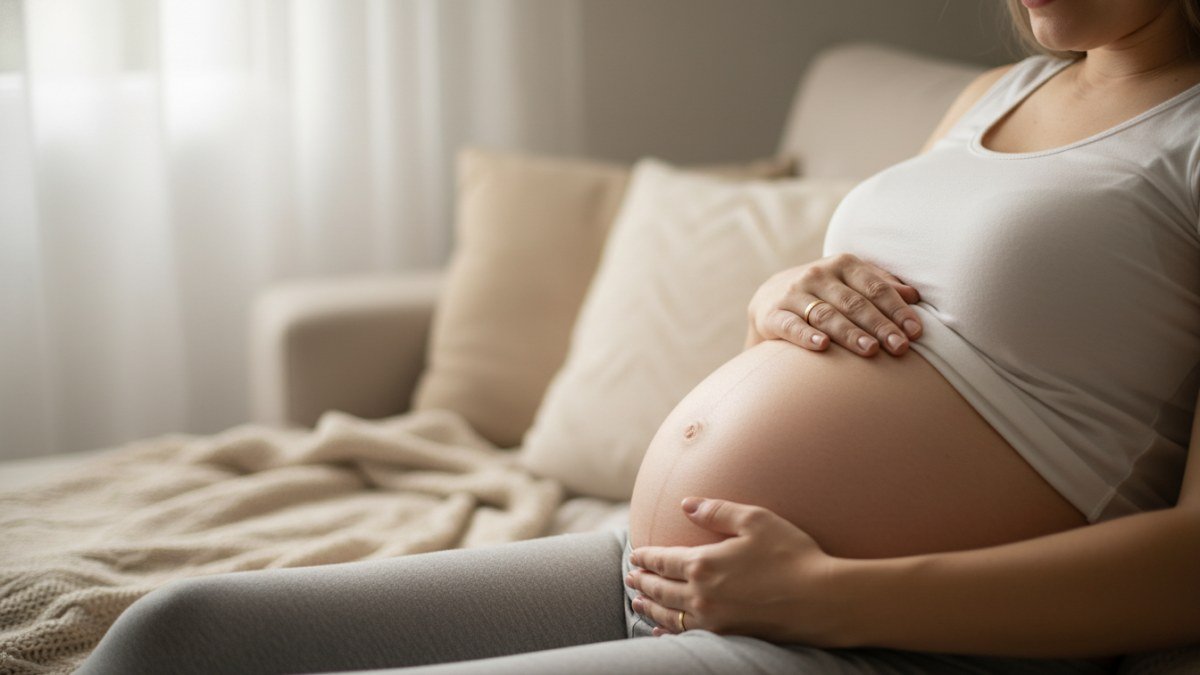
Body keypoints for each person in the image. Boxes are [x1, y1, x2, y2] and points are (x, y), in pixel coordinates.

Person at [79, 1, 1200, 673]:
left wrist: (819, 595)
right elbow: (932, 305)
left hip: (878, 642)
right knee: (174, 640)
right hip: (668, 567)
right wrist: (781, 298)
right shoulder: (1006, 88)